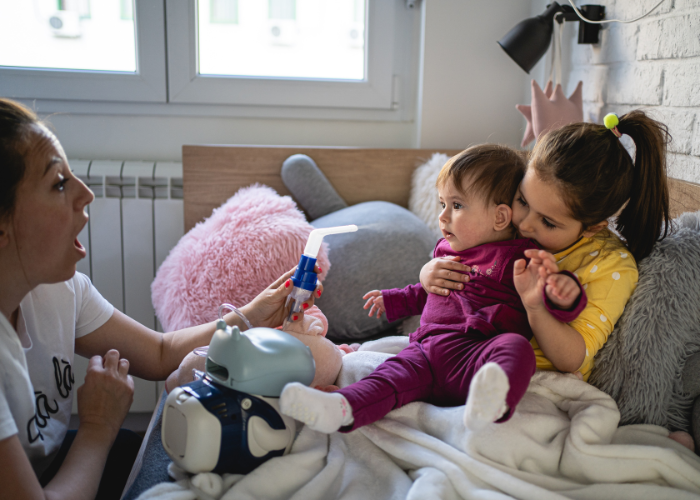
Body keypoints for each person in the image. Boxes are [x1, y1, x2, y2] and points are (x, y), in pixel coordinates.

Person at [0, 98, 321, 500]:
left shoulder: (58, 291)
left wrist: (253, 314)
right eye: (58, 183)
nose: (85, 195)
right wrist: (98, 427)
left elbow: (159, 352)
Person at [278, 145, 586, 434]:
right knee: (387, 380)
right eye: (442, 204)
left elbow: (546, 295)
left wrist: (566, 292)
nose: (443, 216)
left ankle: (492, 401)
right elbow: (429, 293)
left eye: (457, 205)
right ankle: (341, 408)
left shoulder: (516, 255)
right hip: (425, 351)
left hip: (476, 354)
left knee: (516, 349)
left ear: (500, 217)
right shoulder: (446, 253)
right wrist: (394, 300)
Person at [420, 111, 670, 381]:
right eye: (523, 201)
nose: (525, 225)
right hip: (462, 353)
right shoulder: (507, 221)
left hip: (536, 379)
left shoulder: (610, 267)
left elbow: (572, 358)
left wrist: (536, 308)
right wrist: (429, 274)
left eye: (548, 222)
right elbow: (462, 256)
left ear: (592, 227)